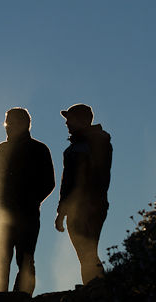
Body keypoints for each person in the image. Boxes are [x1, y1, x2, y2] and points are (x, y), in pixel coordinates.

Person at [0, 108, 55, 296]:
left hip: (28, 215)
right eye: (7, 123)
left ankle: (22, 296)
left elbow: (48, 182)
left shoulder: (39, 149)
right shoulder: (1, 149)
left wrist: (30, 202)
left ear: (25, 124)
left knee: (25, 257)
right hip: (1, 217)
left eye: (12, 123)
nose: (8, 127)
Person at [55, 103, 112, 284]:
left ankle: (97, 288)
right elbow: (68, 183)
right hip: (80, 207)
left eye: (70, 119)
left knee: (87, 252)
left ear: (82, 120)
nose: (67, 124)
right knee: (86, 253)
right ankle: (95, 287)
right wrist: (62, 211)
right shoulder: (79, 146)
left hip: (88, 207)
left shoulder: (94, 143)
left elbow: (82, 180)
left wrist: (65, 209)